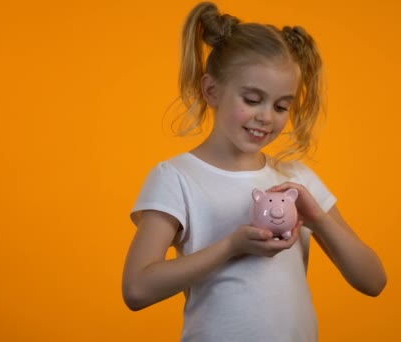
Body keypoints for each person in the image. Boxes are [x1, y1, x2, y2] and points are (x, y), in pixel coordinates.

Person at [122, 2, 386, 341]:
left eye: (280, 106)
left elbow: (373, 281)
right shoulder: (177, 177)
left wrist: (318, 218)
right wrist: (232, 246)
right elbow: (137, 289)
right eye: (252, 99)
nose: (266, 117)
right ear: (212, 90)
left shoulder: (297, 180)